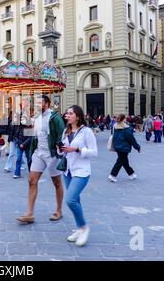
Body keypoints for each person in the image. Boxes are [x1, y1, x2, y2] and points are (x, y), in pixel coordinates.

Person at [16, 95, 65, 224]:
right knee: (32, 181)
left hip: (52, 154)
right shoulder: (36, 117)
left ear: (47, 104)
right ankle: (30, 214)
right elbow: (34, 134)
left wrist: (60, 146)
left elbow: (62, 133)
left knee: (57, 183)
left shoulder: (54, 117)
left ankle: (59, 210)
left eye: (40, 103)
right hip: (39, 153)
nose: (37, 105)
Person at [57, 105, 98, 247]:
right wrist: (60, 149)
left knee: (70, 200)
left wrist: (78, 149)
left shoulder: (86, 132)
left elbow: (94, 152)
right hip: (68, 171)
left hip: (82, 171)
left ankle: (83, 227)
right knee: (76, 201)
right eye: (66, 113)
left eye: (70, 113)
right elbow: (63, 153)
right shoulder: (65, 131)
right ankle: (79, 229)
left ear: (78, 116)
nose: (67, 116)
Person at [108, 114, 141, 183]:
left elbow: (114, 137)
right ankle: (112, 175)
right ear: (124, 119)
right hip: (124, 147)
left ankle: (131, 174)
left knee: (124, 161)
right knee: (120, 161)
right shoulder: (127, 129)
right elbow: (131, 140)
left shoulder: (115, 127)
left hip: (117, 147)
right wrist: (137, 147)